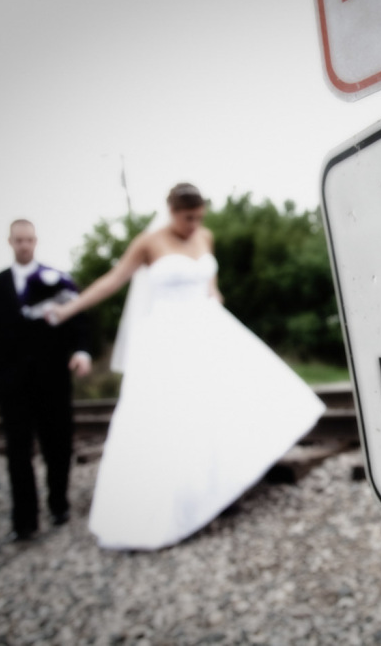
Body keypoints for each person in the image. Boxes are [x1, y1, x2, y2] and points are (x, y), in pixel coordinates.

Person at [46, 182, 326, 550]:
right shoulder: (149, 243)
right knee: (175, 415)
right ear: (171, 210)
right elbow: (112, 281)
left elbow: (211, 283)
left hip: (207, 329)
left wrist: (219, 304)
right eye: (187, 217)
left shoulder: (205, 236)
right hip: (166, 337)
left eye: (199, 217)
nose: (193, 224)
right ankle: (176, 502)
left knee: (228, 404)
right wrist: (68, 310)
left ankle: (221, 486)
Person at [0, 219, 92, 542]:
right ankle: (25, 521)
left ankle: (58, 503)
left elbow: (77, 321)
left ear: (36, 241)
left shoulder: (56, 280)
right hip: (11, 382)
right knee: (18, 451)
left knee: (58, 444)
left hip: (53, 378)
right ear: (10, 241)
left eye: (29, 240)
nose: (24, 245)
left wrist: (81, 352)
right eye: (19, 240)